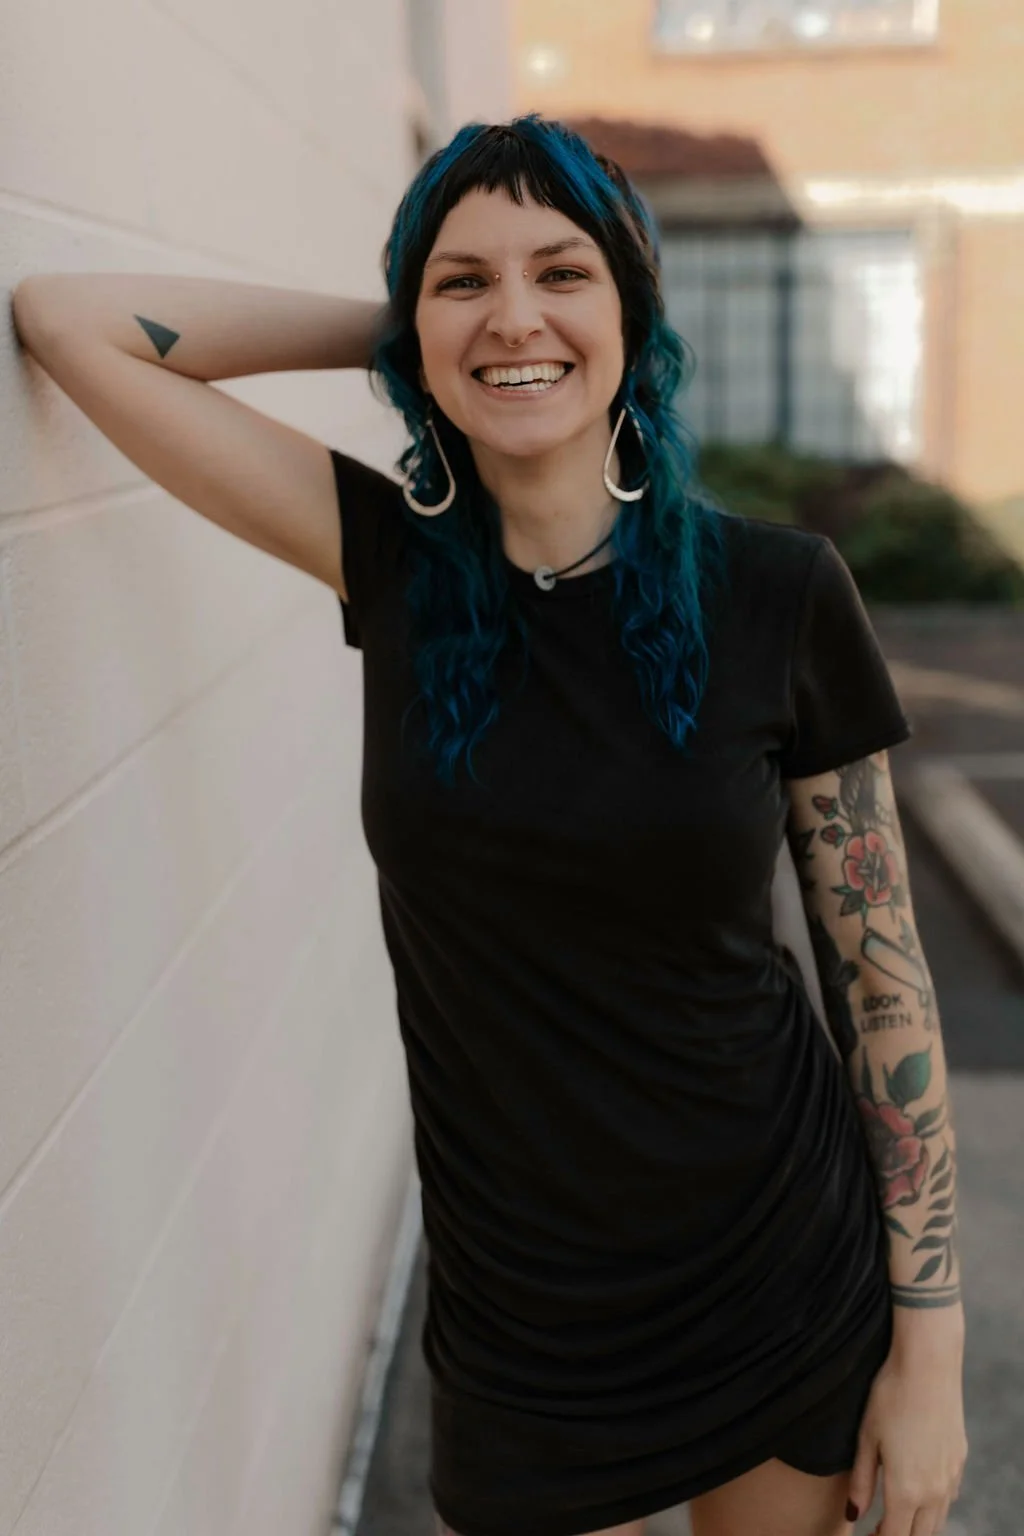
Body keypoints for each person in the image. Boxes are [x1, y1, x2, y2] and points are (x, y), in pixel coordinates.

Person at [12, 113, 967, 1536]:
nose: (515, 315)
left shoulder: (778, 592)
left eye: (561, 273)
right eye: (464, 279)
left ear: (634, 310)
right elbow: (68, 322)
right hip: (524, 1321)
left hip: (774, 1269)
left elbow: (882, 990)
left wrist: (932, 1357)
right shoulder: (391, 566)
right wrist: (405, 329)